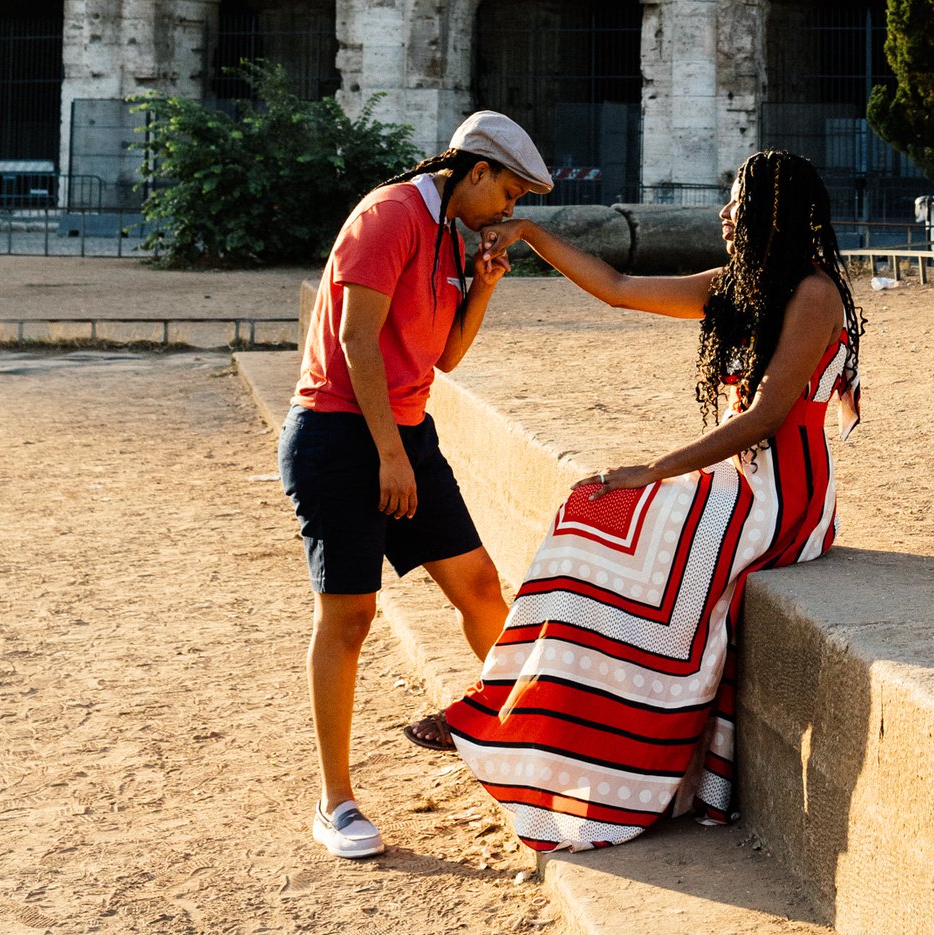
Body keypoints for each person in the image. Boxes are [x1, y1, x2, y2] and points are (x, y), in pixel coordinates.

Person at [420, 148, 862, 851]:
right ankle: (509, 710)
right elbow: (619, 285)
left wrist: (652, 471)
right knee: (585, 513)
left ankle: (567, 738)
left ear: (772, 213)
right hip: (735, 481)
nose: (724, 212)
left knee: (627, 528)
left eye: (738, 200)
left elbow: (770, 414)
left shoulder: (814, 294)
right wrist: (530, 233)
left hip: (784, 497)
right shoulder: (740, 287)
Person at [278, 108, 553, 861]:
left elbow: (447, 358)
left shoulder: (448, 236)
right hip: (339, 435)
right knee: (350, 617)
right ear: (476, 172)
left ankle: (517, 741)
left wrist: (487, 284)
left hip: (403, 430)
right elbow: (354, 339)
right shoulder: (392, 213)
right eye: (509, 195)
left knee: (480, 587)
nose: (509, 211)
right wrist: (389, 456)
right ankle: (334, 802)